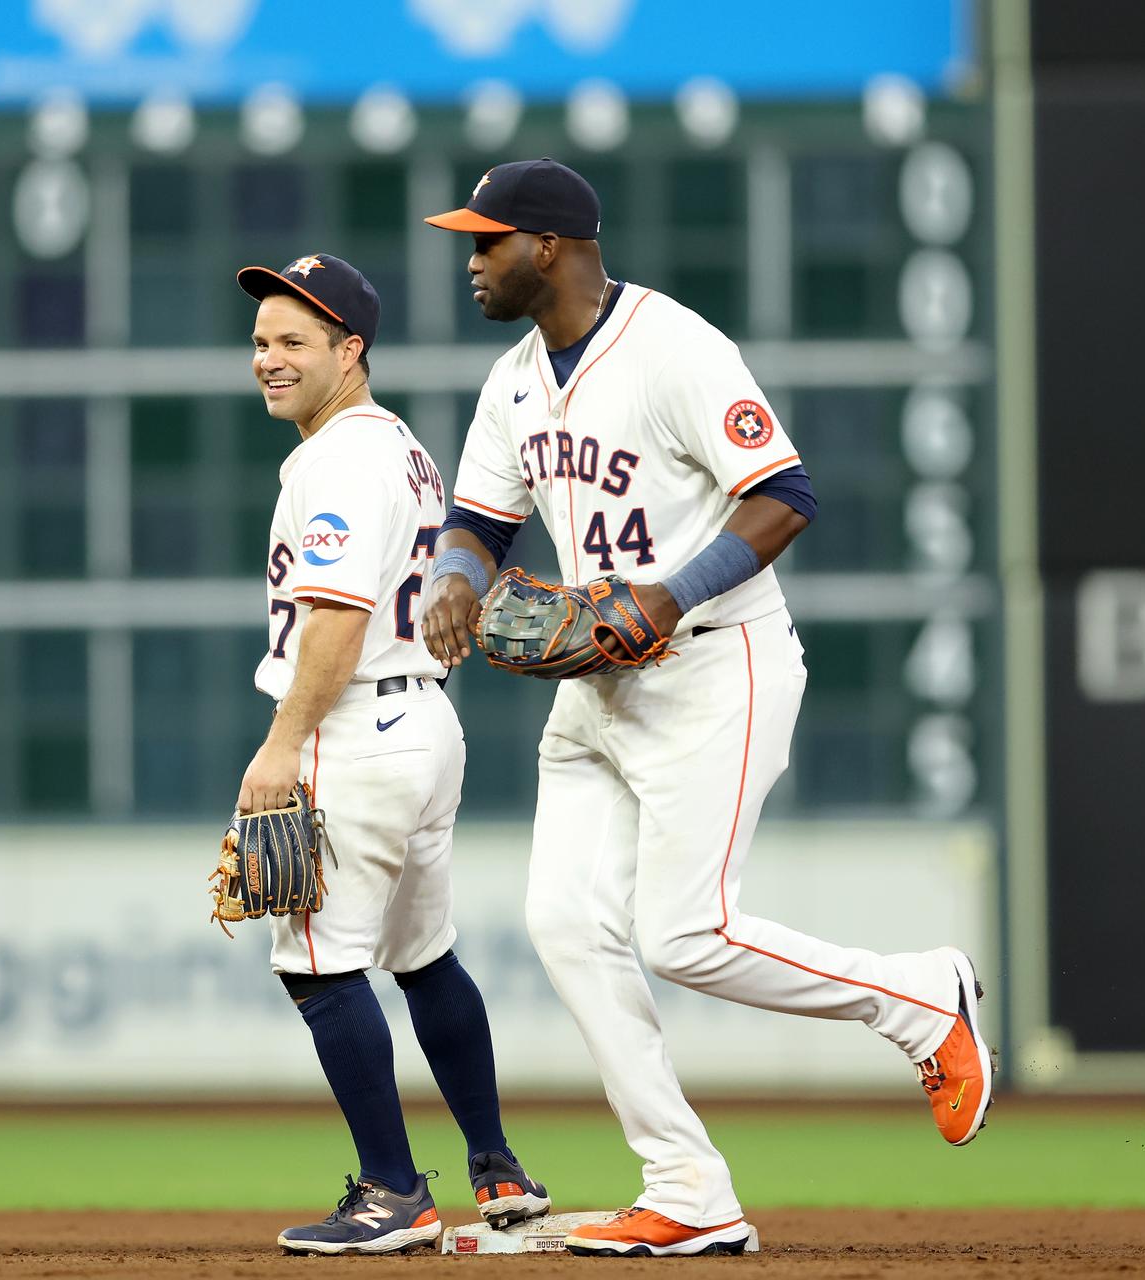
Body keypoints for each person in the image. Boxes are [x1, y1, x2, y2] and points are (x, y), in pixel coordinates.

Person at [420, 159, 993, 1258]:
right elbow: (480, 523)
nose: (472, 259)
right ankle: (687, 1183)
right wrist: (453, 573)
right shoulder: (514, 381)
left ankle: (924, 998)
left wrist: (669, 591)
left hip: (715, 662)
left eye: (488, 240)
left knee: (685, 935)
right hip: (593, 683)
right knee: (564, 924)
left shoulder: (674, 346)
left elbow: (785, 495)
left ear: (550, 245)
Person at [233, 253, 551, 1255]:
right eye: (260, 342)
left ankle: (392, 1190)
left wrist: (282, 747)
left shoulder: (338, 461)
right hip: (424, 726)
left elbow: (335, 616)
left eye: (294, 341)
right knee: (423, 956)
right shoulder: (399, 446)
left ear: (350, 351)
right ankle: (497, 1164)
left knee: (318, 969)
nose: (269, 360)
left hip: (356, 725)